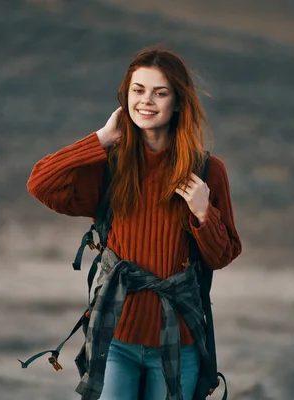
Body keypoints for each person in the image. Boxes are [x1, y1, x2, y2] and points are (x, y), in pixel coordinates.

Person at [27, 46, 242, 400]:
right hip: (116, 339)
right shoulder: (109, 166)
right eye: (138, 90)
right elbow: (39, 182)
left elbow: (223, 255)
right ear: (125, 96)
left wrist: (205, 213)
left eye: (160, 92)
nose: (147, 101)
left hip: (179, 340)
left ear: (177, 102)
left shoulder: (206, 171)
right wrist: (98, 140)